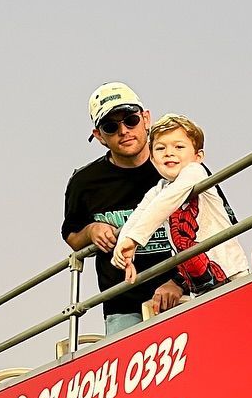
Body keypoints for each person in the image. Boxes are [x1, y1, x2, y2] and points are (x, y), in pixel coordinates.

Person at [62, 83, 185, 337]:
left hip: (185, 294)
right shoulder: (85, 182)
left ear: (146, 119)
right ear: (98, 135)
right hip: (123, 307)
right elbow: (72, 235)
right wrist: (92, 231)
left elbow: (216, 226)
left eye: (130, 120)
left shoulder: (177, 164)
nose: (124, 131)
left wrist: (179, 282)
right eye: (111, 126)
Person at [113, 115, 250, 299]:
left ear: (198, 156)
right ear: (152, 159)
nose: (169, 153)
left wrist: (135, 239)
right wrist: (123, 247)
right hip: (199, 288)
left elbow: (166, 202)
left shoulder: (195, 172)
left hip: (232, 275)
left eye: (179, 147)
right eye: (160, 148)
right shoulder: (159, 189)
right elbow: (141, 213)